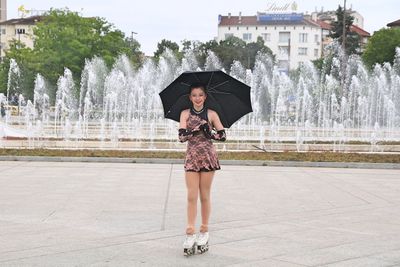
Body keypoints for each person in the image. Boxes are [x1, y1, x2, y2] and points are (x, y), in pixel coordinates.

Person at [178, 83, 226, 256]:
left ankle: (204, 231)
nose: (197, 98)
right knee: (191, 195)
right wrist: (196, 130)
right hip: (192, 157)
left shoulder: (212, 114)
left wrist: (211, 134)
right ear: (190, 97)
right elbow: (181, 137)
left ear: (205, 97)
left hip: (207, 157)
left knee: (204, 195)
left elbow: (223, 135)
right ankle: (190, 232)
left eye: (200, 95)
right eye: (194, 95)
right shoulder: (185, 114)